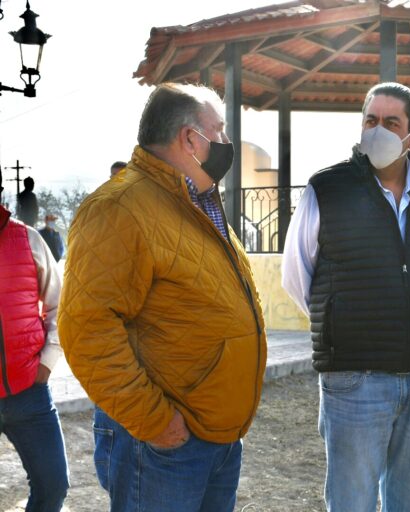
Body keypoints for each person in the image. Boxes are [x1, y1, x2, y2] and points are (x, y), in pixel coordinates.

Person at [58, 83, 267, 512]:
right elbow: (87, 329)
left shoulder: (196, 204)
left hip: (216, 438)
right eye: (220, 130)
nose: (226, 142)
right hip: (166, 445)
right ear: (191, 139)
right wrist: (154, 422)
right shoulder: (120, 207)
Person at [282, 82, 410, 512]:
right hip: (354, 379)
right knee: (352, 502)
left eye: (390, 122)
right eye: (370, 120)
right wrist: (344, 321)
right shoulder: (326, 188)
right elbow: (296, 276)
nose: (377, 130)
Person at [0, 168, 70, 511]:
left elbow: (60, 305)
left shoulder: (28, 239)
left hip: (29, 393)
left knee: (53, 485)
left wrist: (47, 361)